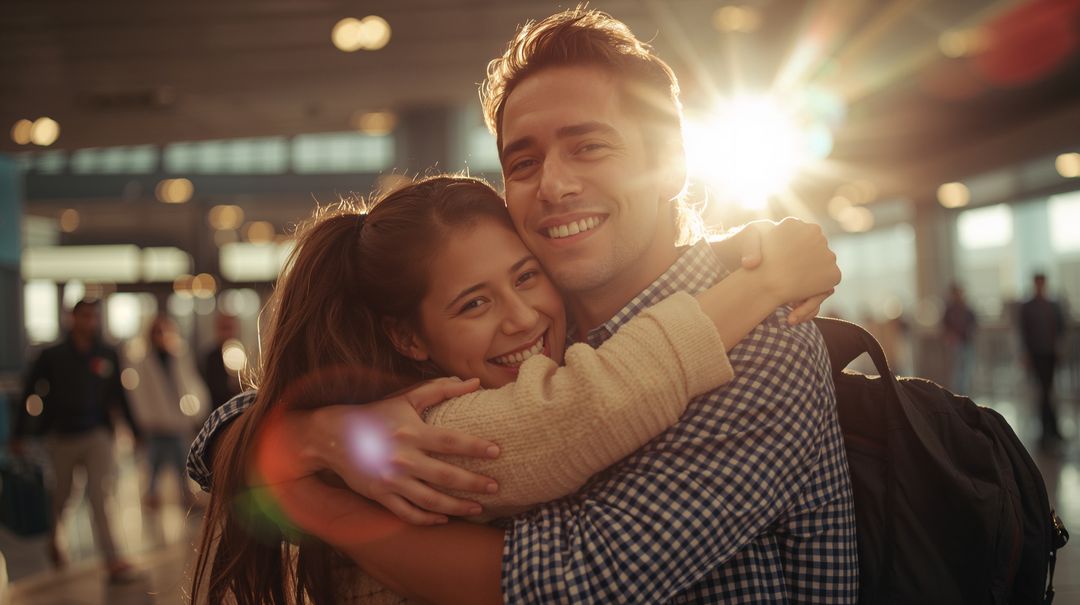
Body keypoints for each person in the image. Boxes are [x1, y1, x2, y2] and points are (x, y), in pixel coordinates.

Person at [189, 8, 858, 603]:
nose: (555, 185)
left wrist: (305, 490)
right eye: (524, 161)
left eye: (589, 146)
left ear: (672, 163)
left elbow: (576, 580)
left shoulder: (764, 340)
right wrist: (318, 433)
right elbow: (226, 426)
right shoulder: (545, 329)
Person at [189, 175, 839, 604]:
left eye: (528, 276)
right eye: (474, 302)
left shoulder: (370, 415)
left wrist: (307, 437)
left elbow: (226, 432)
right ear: (409, 338)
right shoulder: (422, 427)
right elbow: (583, 407)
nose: (522, 317)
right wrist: (758, 283)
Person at [12, 299, 143, 584]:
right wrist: (20, 434)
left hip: (97, 433)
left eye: (93, 316)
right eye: (83, 316)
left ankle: (113, 558)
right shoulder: (52, 355)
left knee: (101, 495)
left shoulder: (106, 354)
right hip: (62, 435)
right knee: (62, 496)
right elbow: (28, 392)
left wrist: (135, 430)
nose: (89, 322)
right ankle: (55, 541)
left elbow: (119, 396)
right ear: (72, 319)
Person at [125, 314, 210, 508]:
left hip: (177, 422)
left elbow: (189, 384)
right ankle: (152, 496)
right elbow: (140, 395)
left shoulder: (178, 356)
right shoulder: (143, 361)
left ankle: (186, 495)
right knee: (153, 465)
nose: (161, 336)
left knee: (183, 464)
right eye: (157, 332)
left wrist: (195, 412)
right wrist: (144, 420)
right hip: (156, 424)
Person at [1019, 273, 1067, 448]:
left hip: (1050, 353)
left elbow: (1061, 328)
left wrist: (1059, 347)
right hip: (1036, 354)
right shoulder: (1028, 306)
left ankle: (1052, 430)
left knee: (1048, 391)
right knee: (1043, 392)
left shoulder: (1053, 305)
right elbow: (1024, 332)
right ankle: (1048, 431)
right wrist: (1025, 354)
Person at [201, 313, 243, 411]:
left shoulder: (241, 352)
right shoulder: (211, 357)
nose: (228, 333)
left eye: (231, 328)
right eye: (225, 328)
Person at [943, 282, 977, 394]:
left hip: (966, 342)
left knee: (966, 369)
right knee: (956, 370)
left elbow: (973, 323)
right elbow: (945, 326)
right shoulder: (949, 310)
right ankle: (956, 392)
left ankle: (964, 391)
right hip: (955, 344)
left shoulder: (967, 308)